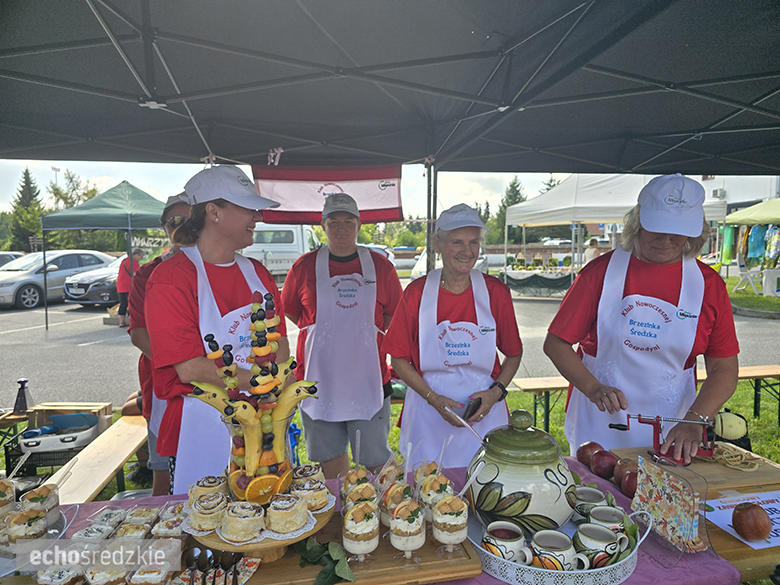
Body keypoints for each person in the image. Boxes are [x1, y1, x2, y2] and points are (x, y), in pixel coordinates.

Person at [543, 174, 739, 464]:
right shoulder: (600, 273)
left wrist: (696, 419)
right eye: (657, 228)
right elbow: (556, 343)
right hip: (599, 421)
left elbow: (724, 368)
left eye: (677, 231)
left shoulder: (708, 285)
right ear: (638, 222)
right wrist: (594, 387)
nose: (666, 239)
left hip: (675, 425)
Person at [145, 166, 289, 494]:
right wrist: (266, 383)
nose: (258, 217)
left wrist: (274, 396)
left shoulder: (258, 273)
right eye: (248, 209)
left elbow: (280, 344)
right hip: (200, 427)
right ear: (213, 212)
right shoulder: (171, 278)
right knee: (203, 532)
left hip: (264, 420)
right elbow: (191, 367)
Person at [385, 204, 523, 469]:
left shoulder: (496, 292)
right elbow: (399, 358)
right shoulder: (417, 293)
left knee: (485, 485)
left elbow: (514, 354)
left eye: (474, 242)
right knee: (427, 489)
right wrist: (433, 399)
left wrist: (496, 393)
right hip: (428, 411)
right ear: (437, 244)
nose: (467, 251)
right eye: (456, 242)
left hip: (485, 413)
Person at [281, 193, 402, 479]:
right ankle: (344, 517)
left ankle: (389, 517)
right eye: (333, 222)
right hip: (318, 382)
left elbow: (393, 319)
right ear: (323, 226)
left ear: (359, 225)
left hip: (369, 380)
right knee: (331, 463)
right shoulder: (303, 267)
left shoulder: (381, 267)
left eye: (348, 221)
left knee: (377, 463)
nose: (341, 228)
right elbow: (292, 312)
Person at [127, 194, 191, 496]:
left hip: (217, 388)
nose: (182, 228)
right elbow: (139, 333)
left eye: (190, 220)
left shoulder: (217, 267)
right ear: (164, 227)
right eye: (174, 222)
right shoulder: (148, 273)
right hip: (165, 389)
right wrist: (184, 367)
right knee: (164, 480)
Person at [117, 249, 144, 327]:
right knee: (131, 304)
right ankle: (131, 321)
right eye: (141, 257)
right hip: (129, 286)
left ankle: (121, 321)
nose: (141, 259)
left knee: (123, 304)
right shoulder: (133, 263)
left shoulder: (124, 261)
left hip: (121, 286)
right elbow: (136, 274)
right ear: (136, 255)